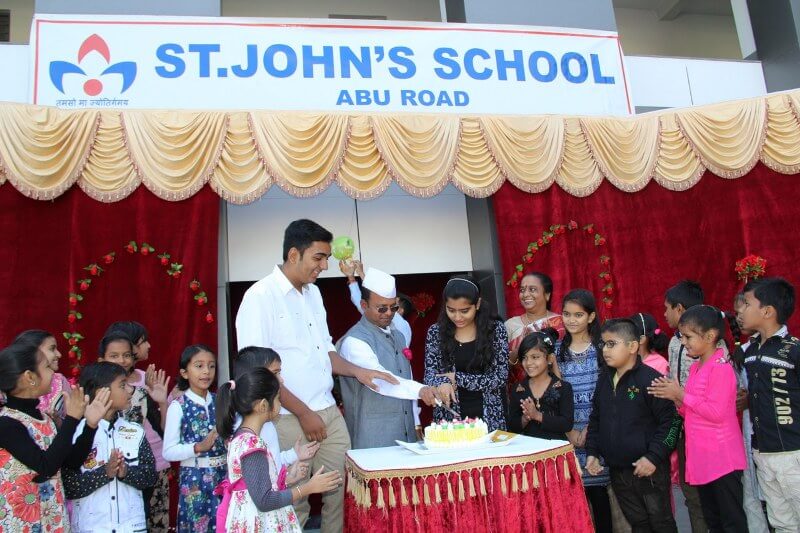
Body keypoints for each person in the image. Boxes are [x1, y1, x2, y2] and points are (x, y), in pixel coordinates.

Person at [235, 219, 396, 533]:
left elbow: (326, 352)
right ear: (294, 255)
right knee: (294, 496)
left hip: (326, 411)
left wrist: (359, 372)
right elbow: (257, 373)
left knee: (342, 489)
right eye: (319, 258)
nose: (324, 266)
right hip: (285, 416)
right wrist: (305, 413)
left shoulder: (314, 295)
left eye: (326, 259)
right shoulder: (260, 297)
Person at [649, 306, 748, 531]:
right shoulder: (696, 368)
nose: (684, 342)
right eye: (682, 336)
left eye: (688, 337)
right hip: (703, 457)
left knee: (731, 520)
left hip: (722, 459)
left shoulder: (721, 368)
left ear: (710, 336)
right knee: (712, 519)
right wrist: (675, 398)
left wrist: (681, 394)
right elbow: (690, 412)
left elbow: (717, 413)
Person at [0, 339, 110, 532]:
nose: (54, 373)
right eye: (47, 367)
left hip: (52, 516)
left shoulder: (46, 419)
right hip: (21, 522)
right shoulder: (7, 423)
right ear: (29, 377)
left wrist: (90, 425)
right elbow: (45, 467)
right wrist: (72, 418)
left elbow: (70, 463)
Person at [586, 319, 680, 533]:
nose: (605, 350)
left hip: (649, 470)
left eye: (612, 344)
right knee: (639, 525)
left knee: (661, 522)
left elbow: (672, 422)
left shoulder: (652, 380)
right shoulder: (604, 380)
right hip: (618, 470)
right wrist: (592, 452)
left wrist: (653, 457)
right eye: (603, 344)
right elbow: (596, 419)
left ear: (632, 346)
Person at [338, 267, 439, 447]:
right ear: (363, 305)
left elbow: (406, 374)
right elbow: (380, 381)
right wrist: (421, 390)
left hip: (406, 435)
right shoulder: (355, 341)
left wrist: (415, 419)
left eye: (393, 308)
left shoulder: (398, 335)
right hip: (373, 438)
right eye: (381, 308)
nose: (388, 313)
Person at [64, 361, 158, 533]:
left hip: (131, 527)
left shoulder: (135, 431)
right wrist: (105, 473)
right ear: (102, 392)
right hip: (92, 527)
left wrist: (125, 472)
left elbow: (150, 476)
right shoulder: (75, 432)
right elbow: (69, 485)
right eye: (123, 385)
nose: (130, 390)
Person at [739, 277, 800, 531]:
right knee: (780, 520)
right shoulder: (749, 351)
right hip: (762, 452)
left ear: (767, 311)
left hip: (793, 453)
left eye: (747, 304)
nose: (741, 310)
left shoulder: (793, 350)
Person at [103, 322, 172, 532]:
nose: (122, 360)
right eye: (114, 355)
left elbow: (164, 430)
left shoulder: (146, 382)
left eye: (125, 355)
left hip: (154, 464)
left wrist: (162, 402)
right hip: (116, 467)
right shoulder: (97, 384)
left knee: (155, 523)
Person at [555, 288, 611, 532]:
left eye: (578, 315)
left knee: (599, 494)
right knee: (572, 498)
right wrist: (568, 431)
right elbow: (552, 394)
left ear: (590, 317)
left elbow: (609, 393)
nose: (571, 320)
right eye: (567, 314)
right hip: (566, 432)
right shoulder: (556, 351)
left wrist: (591, 430)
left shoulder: (602, 348)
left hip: (597, 431)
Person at [423, 275, 509, 431]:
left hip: (490, 416)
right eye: (451, 310)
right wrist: (442, 383)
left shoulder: (495, 330)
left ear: (477, 304)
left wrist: (457, 379)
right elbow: (430, 375)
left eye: (464, 311)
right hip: (449, 419)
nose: (457, 317)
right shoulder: (435, 332)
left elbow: (500, 377)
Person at [163, 344, 227, 533]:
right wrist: (197, 447)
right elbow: (168, 451)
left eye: (211, 366)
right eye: (199, 366)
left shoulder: (222, 401)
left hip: (224, 476)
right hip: (194, 480)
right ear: (184, 372)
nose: (206, 371)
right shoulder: (179, 406)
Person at [663, 279, 709, 532]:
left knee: (709, 493)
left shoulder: (710, 344)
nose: (664, 314)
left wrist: (677, 393)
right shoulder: (673, 342)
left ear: (679, 309)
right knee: (690, 492)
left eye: (667, 308)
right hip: (682, 428)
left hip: (704, 429)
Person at [233, 346, 320, 472]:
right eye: (275, 373)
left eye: (279, 373)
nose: (281, 380)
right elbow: (260, 487)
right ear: (255, 377)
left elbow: (270, 462)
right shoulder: (248, 431)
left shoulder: (264, 421)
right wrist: (306, 489)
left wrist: (294, 455)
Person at [729, 287, 770, 533]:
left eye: (744, 308)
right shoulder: (742, 353)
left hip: (779, 440)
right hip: (751, 435)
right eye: (737, 310)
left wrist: (750, 400)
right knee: (755, 498)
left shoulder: (787, 349)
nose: (739, 315)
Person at [508, 328, 574, 439]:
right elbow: (512, 427)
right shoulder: (518, 389)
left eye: (535, 357)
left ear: (550, 358)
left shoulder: (563, 387)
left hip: (555, 452)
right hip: (529, 452)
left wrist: (537, 415)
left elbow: (567, 424)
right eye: (524, 358)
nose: (528, 363)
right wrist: (525, 418)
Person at [505, 272, 565, 383]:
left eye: (532, 289)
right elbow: (501, 367)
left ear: (547, 295)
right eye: (522, 290)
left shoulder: (562, 323)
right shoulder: (510, 325)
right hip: (522, 392)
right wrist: (520, 347)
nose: (526, 294)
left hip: (557, 388)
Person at [340, 260, 412, 346]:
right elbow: (362, 302)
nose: (388, 310)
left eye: (394, 305)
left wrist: (359, 274)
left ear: (400, 310)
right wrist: (352, 277)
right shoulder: (382, 319)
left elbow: (375, 296)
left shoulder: (400, 324)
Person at [12, 329, 72, 425]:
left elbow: (71, 427)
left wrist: (56, 421)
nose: (59, 354)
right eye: (52, 349)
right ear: (33, 352)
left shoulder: (60, 381)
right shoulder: (13, 384)